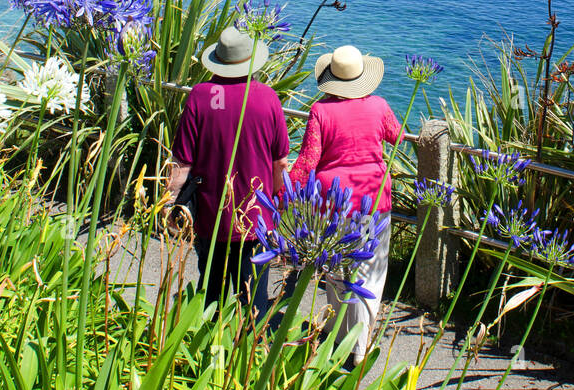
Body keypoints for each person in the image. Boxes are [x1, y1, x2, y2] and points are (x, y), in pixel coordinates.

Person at [289, 44, 402, 363]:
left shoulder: (320, 111)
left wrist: (286, 196)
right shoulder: (378, 106)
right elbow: (398, 136)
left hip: (331, 202)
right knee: (368, 273)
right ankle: (359, 346)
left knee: (335, 268)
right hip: (372, 198)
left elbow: (308, 160)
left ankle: (337, 335)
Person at [168, 25, 289, 312]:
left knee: (211, 296)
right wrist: (272, 201)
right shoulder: (268, 98)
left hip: (212, 214)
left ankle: (207, 351)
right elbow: (281, 162)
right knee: (254, 300)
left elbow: (182, 163)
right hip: (256, 218)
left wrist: (170, 206)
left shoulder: (200, 95)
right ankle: (251, 353)